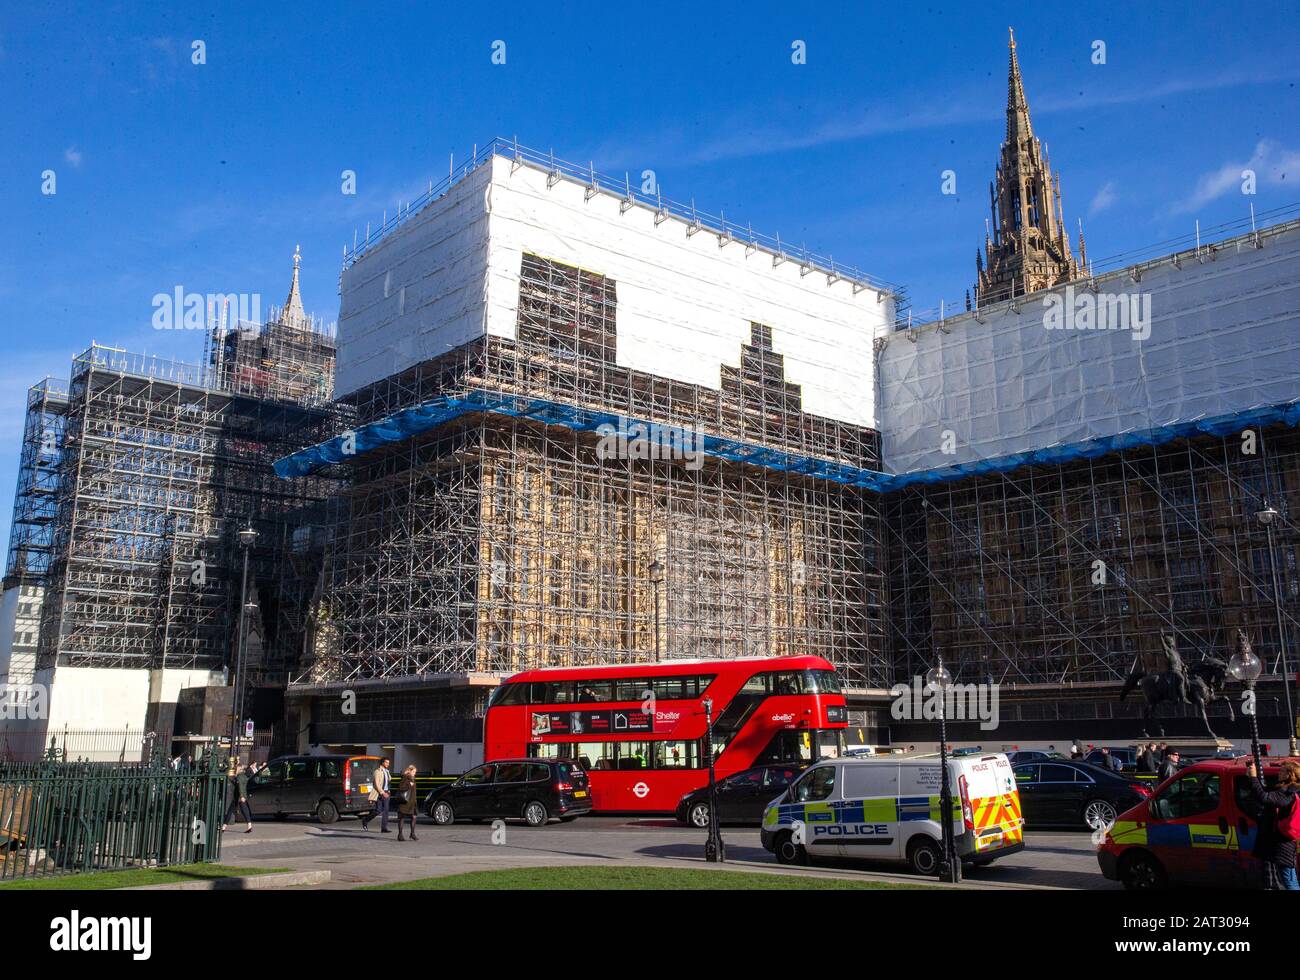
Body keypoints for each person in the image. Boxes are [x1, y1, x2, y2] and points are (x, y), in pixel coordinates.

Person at [1243, 759, 1299, 890]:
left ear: (1289, 774)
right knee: (1286, 878)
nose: (1279, 772)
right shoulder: (1287, 790)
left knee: (1289, 880)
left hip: (1283, 845)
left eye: (1283, 770)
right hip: (1280, 843)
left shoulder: (1287, 793)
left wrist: (1253, 778)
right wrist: (1253, 777)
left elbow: (1265, 798)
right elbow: (1265, 794)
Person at [222, 760, 253, 834]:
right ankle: (249, 826)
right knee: (245, 811)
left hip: (238, 797)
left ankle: (224, 827)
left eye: (236, 769)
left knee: (231, 811)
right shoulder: (244, 776)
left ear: (238, 769)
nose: (235, 770)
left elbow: (240, 787)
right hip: (242, 796)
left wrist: (241, 796)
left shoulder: (239, 777)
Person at [396, 764, 419, 842]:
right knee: (402, 817)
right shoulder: (405, 777)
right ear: (410, 771)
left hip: (412, 801)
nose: (415, 773)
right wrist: (409, 784)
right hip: (405, 802)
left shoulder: (412, 778)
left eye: (415, 772)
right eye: (414, 771)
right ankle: (400, 835)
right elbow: (401, 788)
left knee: (414, 817)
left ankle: (412, 834)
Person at [374, 757, 393, 833]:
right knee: (380, 810)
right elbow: (376, 784)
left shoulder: (387, 771)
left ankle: (384, 828)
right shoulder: (377, 771)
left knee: (384, 809)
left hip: (386, 792)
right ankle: (366, 820)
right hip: (380, 792)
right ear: (382, 763)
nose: (388, 764)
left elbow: (388, 781)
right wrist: (383, 793)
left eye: (388, 763)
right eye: (386, 762)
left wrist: (388, 790)